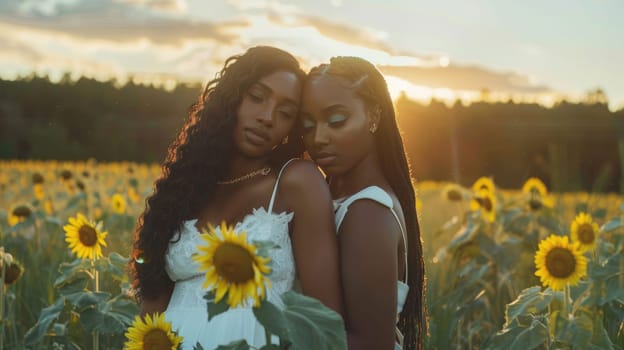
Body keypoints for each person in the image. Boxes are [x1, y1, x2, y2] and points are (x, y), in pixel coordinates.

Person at [130, 46, 343, 349]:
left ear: (290, 128)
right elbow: (151, 310)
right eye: (257, 97)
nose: (267, 118)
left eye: (285, 113)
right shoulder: (185, 188)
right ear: (231, 99)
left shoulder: (296, 182)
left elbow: (324, 322)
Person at [300, 57, 426, 350]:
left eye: (336, 121)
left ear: (373, 117)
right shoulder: (333, 197)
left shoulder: (368, 213)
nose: (318, 138)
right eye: (307, 125)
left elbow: (371, 345)